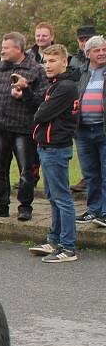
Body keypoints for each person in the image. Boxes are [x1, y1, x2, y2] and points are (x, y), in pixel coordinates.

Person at [0, 32, 48, 221]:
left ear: (18, 48)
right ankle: (0, 205)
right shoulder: (0, 68)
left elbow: (41, 100)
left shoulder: (35, 70)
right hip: (1, 126)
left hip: (24, 129)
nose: (2, 51)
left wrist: (25, 91)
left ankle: (25, 207)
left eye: (6, 47)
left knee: (26, 171)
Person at [25, 45, 80, 262]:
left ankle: (67, 247)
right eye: (45, 61)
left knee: (62, 198)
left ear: (64, 62)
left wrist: (40, 110)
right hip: (47, 147)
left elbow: (41, 114)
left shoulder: (65, 87)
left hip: (56, 148)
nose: (47, 65)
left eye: (52, 61)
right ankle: (54, 240)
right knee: (53, 196)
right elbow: (41, 110)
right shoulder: (55, 85)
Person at [74, 35, 106, 226]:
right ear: (88, 54)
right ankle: (93, 210)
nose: (102, 53)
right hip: (83, 130)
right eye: (97, 50)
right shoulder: (82, 73)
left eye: (104, 49)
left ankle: (104, 212)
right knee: (90, 173)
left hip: (103, 129)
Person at [70, 25, 97, 193]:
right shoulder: (74, 60)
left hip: (97, 112)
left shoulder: (100, 58)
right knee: (83, 150)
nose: (84, 42)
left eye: (87, 39)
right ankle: (86, 178)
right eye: (81, 39)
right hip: (79, 109)